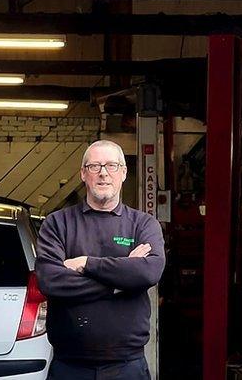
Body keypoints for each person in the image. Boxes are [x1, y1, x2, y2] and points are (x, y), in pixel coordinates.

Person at [36, 140, 166, 380]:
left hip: (127, 366)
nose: (103, 173)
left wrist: (86, 263)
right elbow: (50, 281)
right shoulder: (57, 224)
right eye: (95, 166)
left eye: (112, 166)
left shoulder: (143, 225)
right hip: (70, 366)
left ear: (124, 173)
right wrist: (119, 281)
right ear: (83, 174)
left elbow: (148, 272)